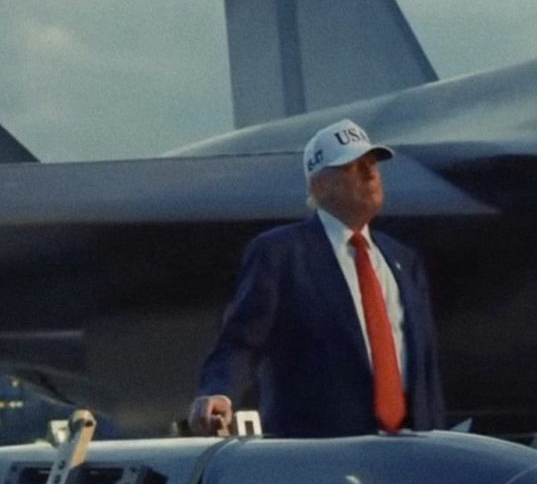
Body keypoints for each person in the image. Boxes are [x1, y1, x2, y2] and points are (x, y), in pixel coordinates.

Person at [188, 118, 445, 438]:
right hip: (322, 448)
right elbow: (242, 338)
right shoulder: (282, 253)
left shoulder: (402, 259)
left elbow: (425, 366)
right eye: (353, 166)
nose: (370, 174)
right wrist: (219, 391)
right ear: (319, 185)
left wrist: (437, 439)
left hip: (409, 446)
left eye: (372, 163)